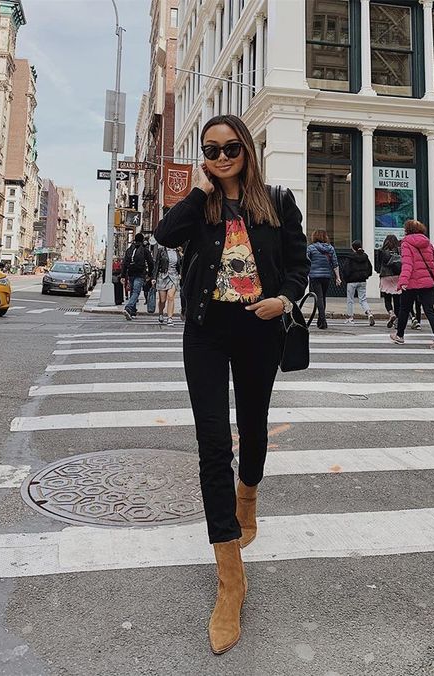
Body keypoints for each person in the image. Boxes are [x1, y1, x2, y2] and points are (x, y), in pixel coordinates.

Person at [155, 114, 309, 655]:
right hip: (205, 331)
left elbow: (298, 265)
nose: (221, 157)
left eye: (229, 148)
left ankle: (250, 496)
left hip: (259, 328)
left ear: (247, 148)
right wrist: (199, 190)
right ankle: (230, 581)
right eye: (211, 150)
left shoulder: (276, 200)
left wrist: (284, 299)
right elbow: (165, 235)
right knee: (212, 445)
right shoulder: (203, 205)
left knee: (254, 430)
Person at [390, 220, 434, 350]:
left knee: (404, 309)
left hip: (412, 282)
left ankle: (400, 336)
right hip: (427, 282)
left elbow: (407, 264)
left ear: (407, 230)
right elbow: (432, 263)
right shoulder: (428, 243)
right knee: (430, 310)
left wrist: (403, 281)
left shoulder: (406, 243)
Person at [307, 230, 341, 329]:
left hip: (314, 276)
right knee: (323, 297)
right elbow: (335, 263)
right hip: (326, 276)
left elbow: (306, 261)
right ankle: (320, 321)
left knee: (319, 297)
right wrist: (338, 277)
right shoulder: (330, 248)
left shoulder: (311, 248)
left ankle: (323, 320)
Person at [342, 240, 375, 325]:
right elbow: (370, 269)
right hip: (362, 280)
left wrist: (347, 278)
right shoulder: (365, 256)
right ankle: (369, 313)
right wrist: (366, 275)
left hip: (352, 281)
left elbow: (346, 269)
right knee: (363, 299)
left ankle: (350, 317)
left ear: (353, 248)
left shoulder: (350, 257)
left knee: (350, 300)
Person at [122, 233, 153, 320]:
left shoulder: (129, 250)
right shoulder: (145, 250)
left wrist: (123, 275)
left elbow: (124, 263)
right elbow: (150, 262)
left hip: (130, 273)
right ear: (143, 240)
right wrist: (150, 274)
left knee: (133, 291)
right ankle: (129, 307)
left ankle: (132, 312)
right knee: (136, 292)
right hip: (140, 273)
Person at [375, 234, 402, 328]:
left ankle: (391, 313)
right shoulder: (399, 250)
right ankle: (398, 321)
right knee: (397, 300)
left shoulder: (381, 251)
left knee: (387, 299)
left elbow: (378, 264)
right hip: (397, 275)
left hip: (385, 276)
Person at [153, 245, 182, 324]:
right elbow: (157, 264)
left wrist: (180, 273)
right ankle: (161, 313)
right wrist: (154, 278)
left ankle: (170, 318)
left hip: (174, 275)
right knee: (162, 300)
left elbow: (181, 264)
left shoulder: (177, 251)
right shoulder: (161, 250)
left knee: (171, 297)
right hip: (162, 275)